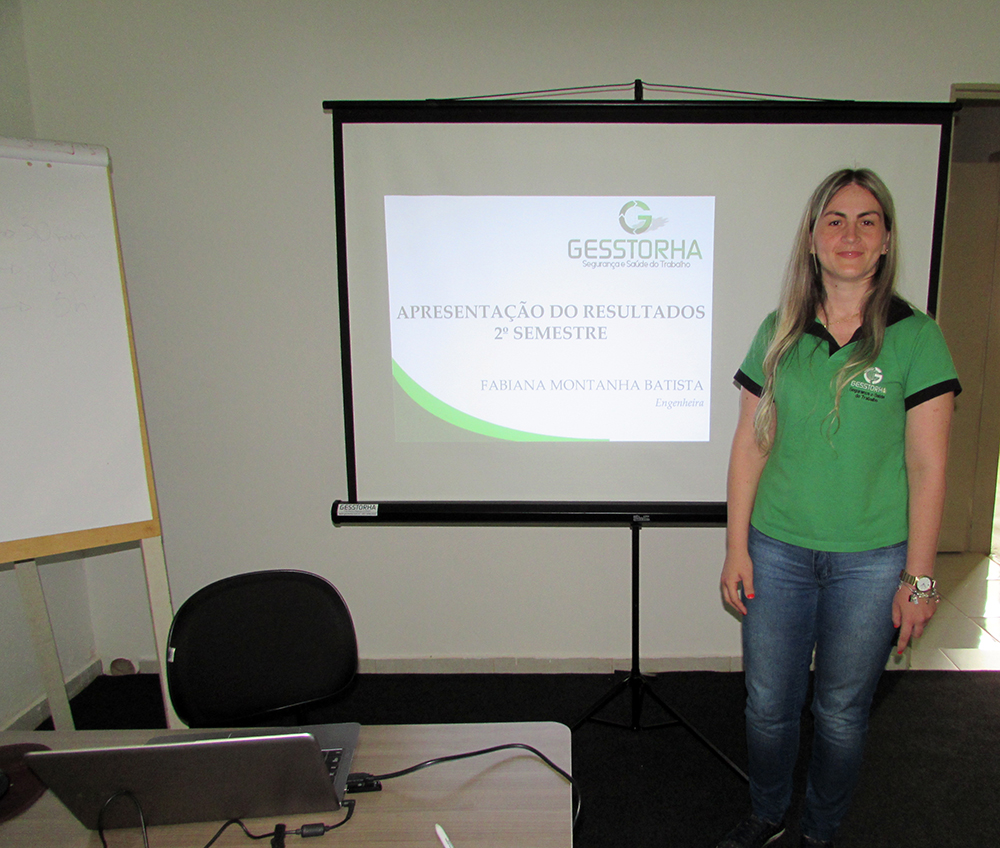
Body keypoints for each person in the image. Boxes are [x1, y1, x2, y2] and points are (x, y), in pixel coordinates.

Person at [716, 168, 961, 848]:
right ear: (813, 238)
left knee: (842, 714)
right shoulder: (779, 331)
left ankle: (820, 831)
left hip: (872, 564)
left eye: (866, 221)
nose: (850, 234)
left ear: (885, 241)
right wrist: (736, 548)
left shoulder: (916, 337)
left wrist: (919, 580)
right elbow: (750, 445)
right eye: (835, 220)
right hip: (776, 552)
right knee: (768, 706)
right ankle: (768, 813)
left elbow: (928, 467)